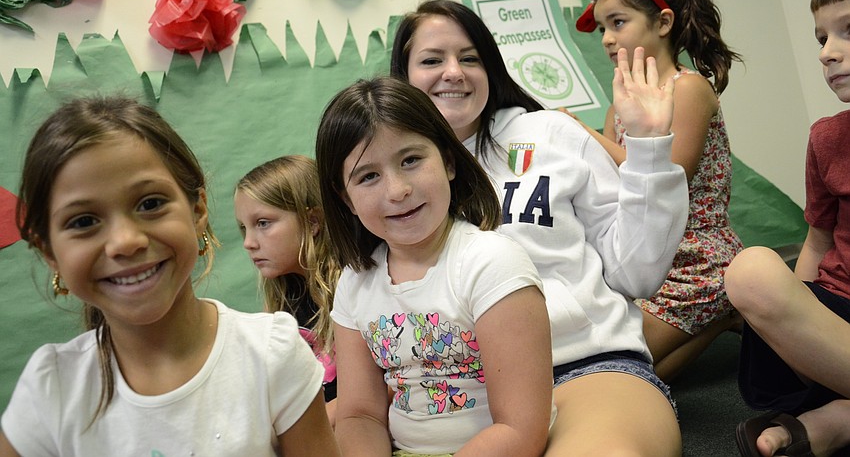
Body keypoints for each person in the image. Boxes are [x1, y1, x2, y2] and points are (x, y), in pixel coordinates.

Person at [391, 0, 689, 456]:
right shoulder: (391, 178)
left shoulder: (551, 134)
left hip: (582, 368)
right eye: (432, 60)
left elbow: (636, 275)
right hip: (457, 395)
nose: (453, 72)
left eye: (470, 58)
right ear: (403, 78)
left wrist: (648, 149)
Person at [0, 96, 339, 457]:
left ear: (197, 211)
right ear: (50, 251)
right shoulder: (50, 388)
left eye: (150, 204)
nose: (126, 242)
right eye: (83, 222)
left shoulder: (272, 353)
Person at [316, 77, 553, 456]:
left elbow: (519, 428)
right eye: (369, 176)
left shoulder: (491, 262)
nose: (396, 190)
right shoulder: (355, 282)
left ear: (448, 161)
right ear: (346, 199)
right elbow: (360, 415)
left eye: (410, 160)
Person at [572, 0, 745, 381]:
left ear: (663, 22)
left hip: (695, 259)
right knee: (619, 369)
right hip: (642, 257)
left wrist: (577, 132)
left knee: (625, 367)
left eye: (618, 22)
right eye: (601, 29)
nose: (608, 39)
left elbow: (672, 177)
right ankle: (721, 318)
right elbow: (613, 183)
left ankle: (722, 301)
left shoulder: (689, 89)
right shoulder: (618, 104)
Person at [725, 0, 850, 457]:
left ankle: (838, 417)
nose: (828, 53)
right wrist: (793, 315)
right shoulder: (827, 138)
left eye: (847, 31)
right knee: (752, 270)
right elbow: (818, 242)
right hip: (837, 321)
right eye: (821, 38)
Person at [234, 155, 341, 417]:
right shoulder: (282, 295)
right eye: (244, 228)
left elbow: (383, 386)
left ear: (312, 222)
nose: (248, 242)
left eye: (262, 223)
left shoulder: (350, 287)